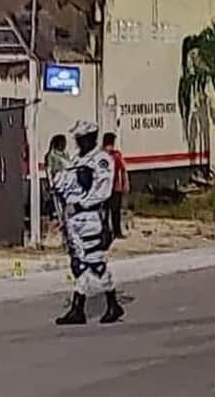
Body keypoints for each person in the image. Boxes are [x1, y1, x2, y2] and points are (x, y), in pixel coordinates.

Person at [52, 120, 125, 325]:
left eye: (81, 138)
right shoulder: (76, 160)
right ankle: (80, 308)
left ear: (90, 138)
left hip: (90, 217)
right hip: (73, 219)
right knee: (79, 263)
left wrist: (82, 205)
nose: (77, 142)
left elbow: (103, 190)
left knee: (95, 262)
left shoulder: (100, 160)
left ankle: (110, 303)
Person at [102, 132, 129, 240]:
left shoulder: (112, 155)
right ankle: (114, 231)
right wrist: (125, 183)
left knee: (108, 210)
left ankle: (109, 231)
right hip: (111, 187)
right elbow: (123, 170)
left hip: (109, 187)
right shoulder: (114, 155)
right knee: (113, 211)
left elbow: (122, 170)